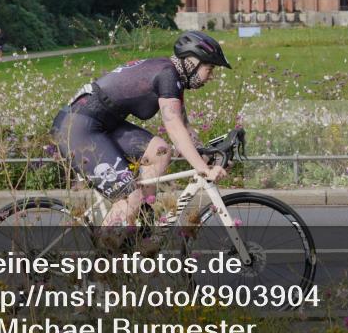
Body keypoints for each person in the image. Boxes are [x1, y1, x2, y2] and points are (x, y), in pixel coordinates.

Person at [51, 31, 231, 228]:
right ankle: (106, 252)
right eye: (209, 68)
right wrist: (203, 169)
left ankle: (140, 223)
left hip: (103, 124)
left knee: (159, 152)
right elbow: (174, 128)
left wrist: (206, 157)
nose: (211, 76)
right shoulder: (167, 76)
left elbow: (185, 128)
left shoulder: (171, 76)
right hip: (76, 127)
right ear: (192, 62)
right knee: (130, 197)